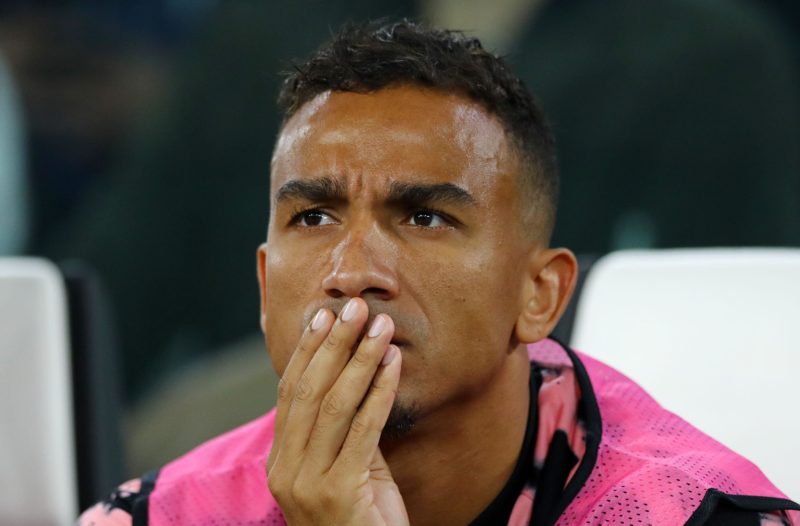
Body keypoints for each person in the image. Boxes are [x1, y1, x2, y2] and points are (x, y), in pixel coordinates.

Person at [78, 20, 799, 525]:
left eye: (424, 218)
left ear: (538, 294)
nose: (352, 271)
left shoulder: (696, 516)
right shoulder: (156, 517)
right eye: (314, 217)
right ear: (266, 289)